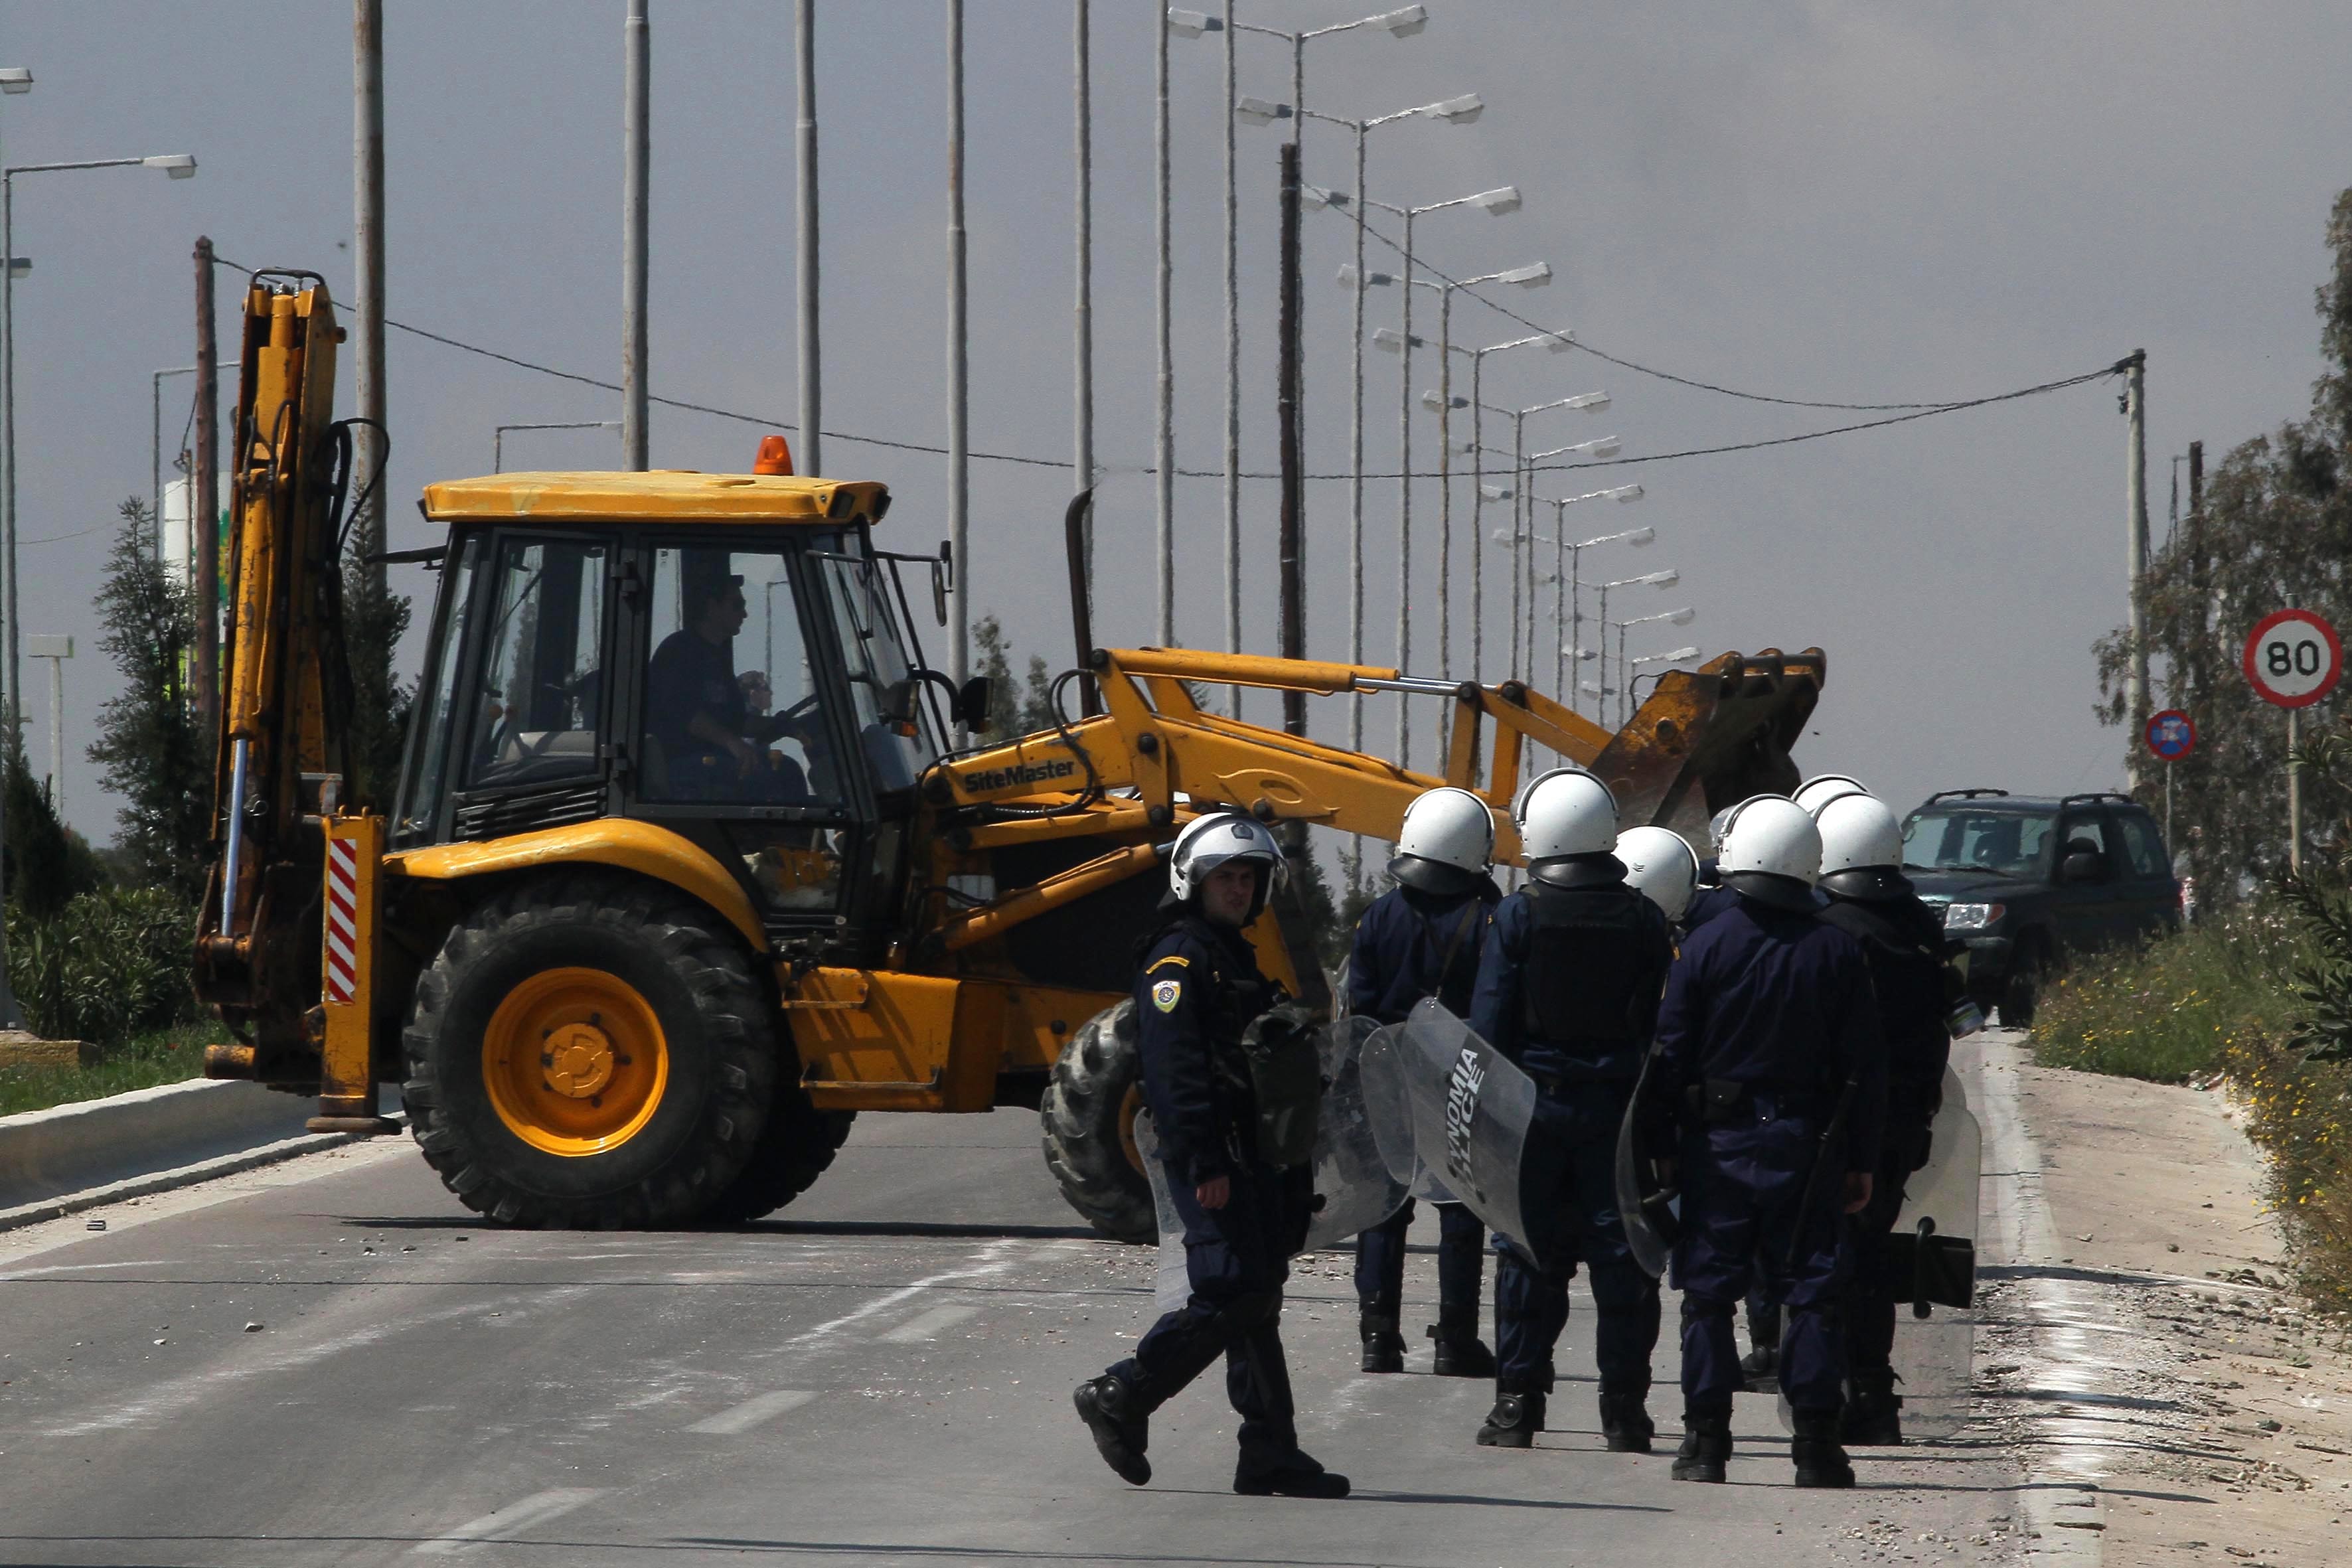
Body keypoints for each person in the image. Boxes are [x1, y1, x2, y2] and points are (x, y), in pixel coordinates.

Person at [1072, 813, 1348, 1499]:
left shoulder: (1231, 953)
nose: (1237, 888)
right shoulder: (1177, 959)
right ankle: (1122, 1391)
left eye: (1247, 877)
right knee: (1234, 1292)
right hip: (1216, 1160)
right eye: (1225, 876)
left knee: (1258, 1299)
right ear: (1194, 881)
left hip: (1255, 1159)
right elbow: (1174, 1074)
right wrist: (1205, 1166)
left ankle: (1270, 1452)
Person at [1645, 793, 1886, 1488]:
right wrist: (1862, 1161)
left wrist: (1662, 1143)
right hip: (1809, 1146)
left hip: (1716, 1146)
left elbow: (1670, 1053)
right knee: (1811, 1293)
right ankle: (1816, 1447)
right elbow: (1865, 1068)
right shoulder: (1838, 950)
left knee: (1709, 1296)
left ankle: (1704, 1444)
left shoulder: (1704, 944)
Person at [1466, 769, 1676, 1453]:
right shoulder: (1645, 917)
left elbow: (1488, 1025)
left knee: (1528, 1258)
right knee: (1624, 1264)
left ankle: (1517, 1407)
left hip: (1534, 1116)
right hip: (1617, 1117)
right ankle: (1625, 1413)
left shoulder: (1519, 914)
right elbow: (1658, 1026)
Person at [1812, 791, 1956, 1445]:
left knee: (1825, 1259)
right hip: (1906, 1122)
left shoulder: (1830, 928)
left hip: (1838, 1121)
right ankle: (1872, 1392)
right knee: (1870, 1254)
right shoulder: (1923, 927)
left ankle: (1829, 1393)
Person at [1347, 787, 1501, 1377]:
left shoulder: (1379, 914)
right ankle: (1454, 1339)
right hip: (1459, 1077)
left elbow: (1358, 1004)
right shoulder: (1490, 916)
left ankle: (1377, 1334)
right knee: (1462, 1210)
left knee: (1385, 1205)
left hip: (1388, 1074)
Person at [644, 569, 812, 800]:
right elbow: (683, 713)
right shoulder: (680, 651)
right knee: (762, 783)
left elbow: (737, 721)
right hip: (680, 763)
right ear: (712, 607)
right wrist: (733, 744)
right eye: (736, 605)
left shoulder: (718, 658)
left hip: (715, 760)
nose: (744, 614)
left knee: (787, 771)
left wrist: (784, 726)